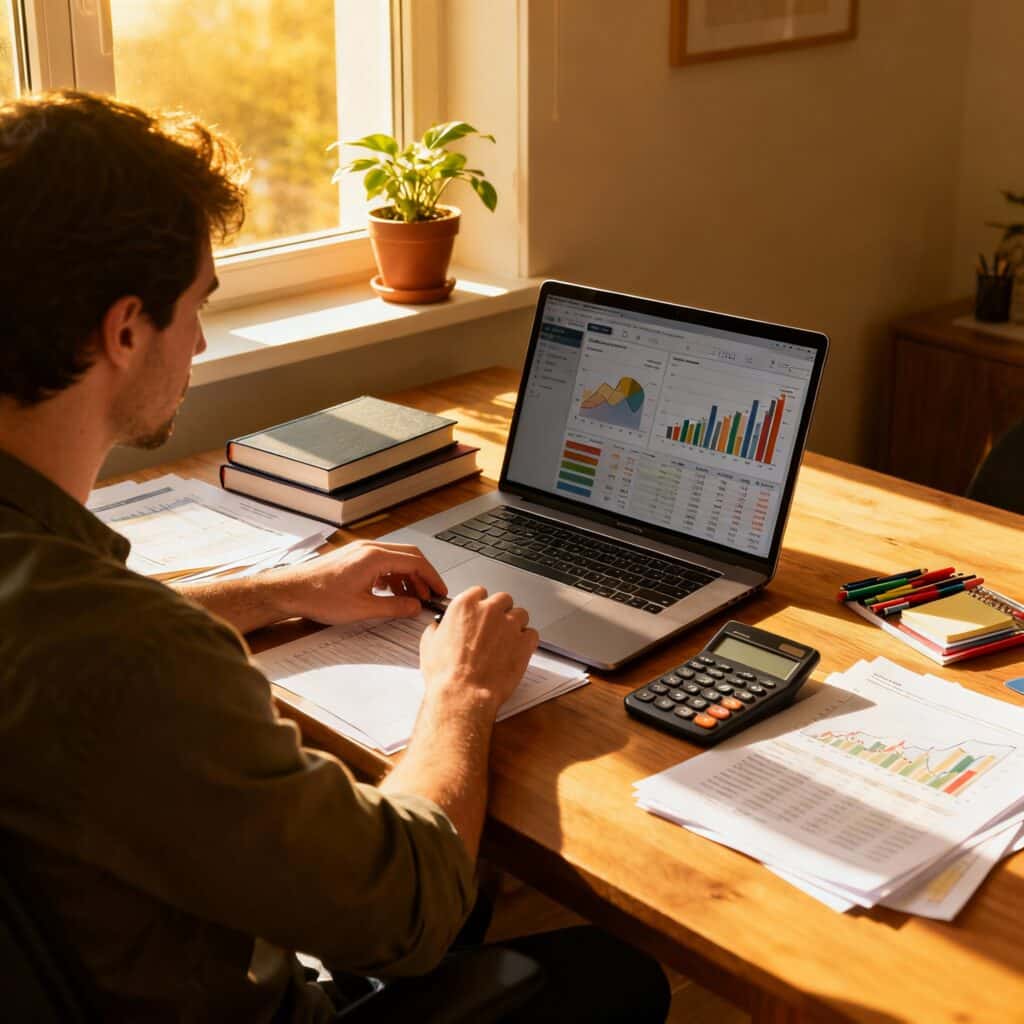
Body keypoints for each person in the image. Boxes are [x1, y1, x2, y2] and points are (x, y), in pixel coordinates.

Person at [0, 90, 670, 1022]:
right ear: (122, 330)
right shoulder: (122, 652)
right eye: (197, 306)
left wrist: (286, 589)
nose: (197, 342)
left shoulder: (49, 601)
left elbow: (73, 655)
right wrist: (462, 694)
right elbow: (409, 909)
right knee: (614, 975)